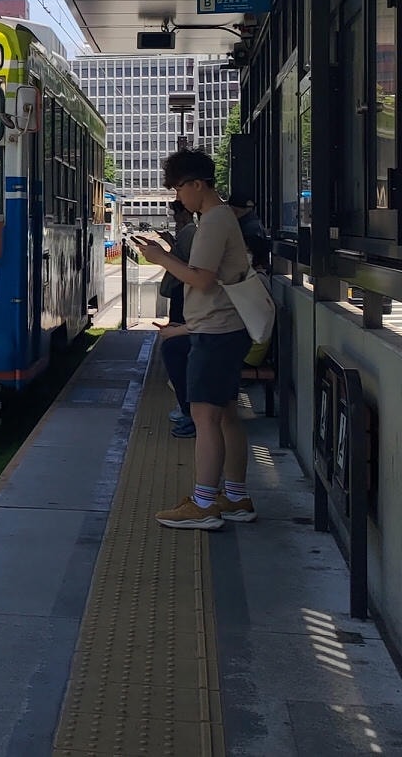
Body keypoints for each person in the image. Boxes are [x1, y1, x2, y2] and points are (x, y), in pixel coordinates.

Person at [134, 148, 256, 530]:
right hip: (223, 330)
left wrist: (159, 257)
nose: (177, 198)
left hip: (215, 334)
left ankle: (204, 502)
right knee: (226, 416)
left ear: (197, 184)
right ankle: (235, 497)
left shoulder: (214, 222)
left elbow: (201, 279)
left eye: (178, 189)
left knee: (204, 416)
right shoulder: (220, 219)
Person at [156, 200, 198, 437]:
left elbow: (189, 266)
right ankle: (187, 409)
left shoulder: (191, 232)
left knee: (175, 348)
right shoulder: (188, 233)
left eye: (175, 211)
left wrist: (162, 255)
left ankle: (187, 411)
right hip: (185, 294)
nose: (173, 216)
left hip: (185, 293)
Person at [226, 193, 271, 269]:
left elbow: (252, 253)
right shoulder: (253, 222)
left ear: (234, 210)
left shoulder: (248, 227)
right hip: (259, 269)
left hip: (252, 270)